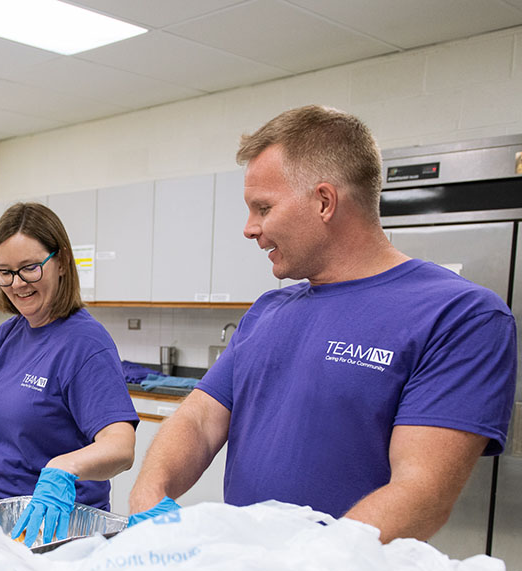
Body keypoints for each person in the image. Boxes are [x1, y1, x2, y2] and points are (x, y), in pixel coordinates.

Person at [128, 105, 517, 543]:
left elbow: (420, 492)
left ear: (324, 201)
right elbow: (200, 419)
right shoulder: (268, 312)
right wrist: (150, 491)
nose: (249, 229)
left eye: (263, 208)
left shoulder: (460, 316)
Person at [0, 202, 137, 546]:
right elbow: (38, 414)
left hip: (58, 530)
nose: (17, 283)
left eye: (29, 268)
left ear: (62, 261)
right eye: (4, 272)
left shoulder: (85, 344)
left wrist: (65, 467)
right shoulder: (9, 334)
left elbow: (121, 446)